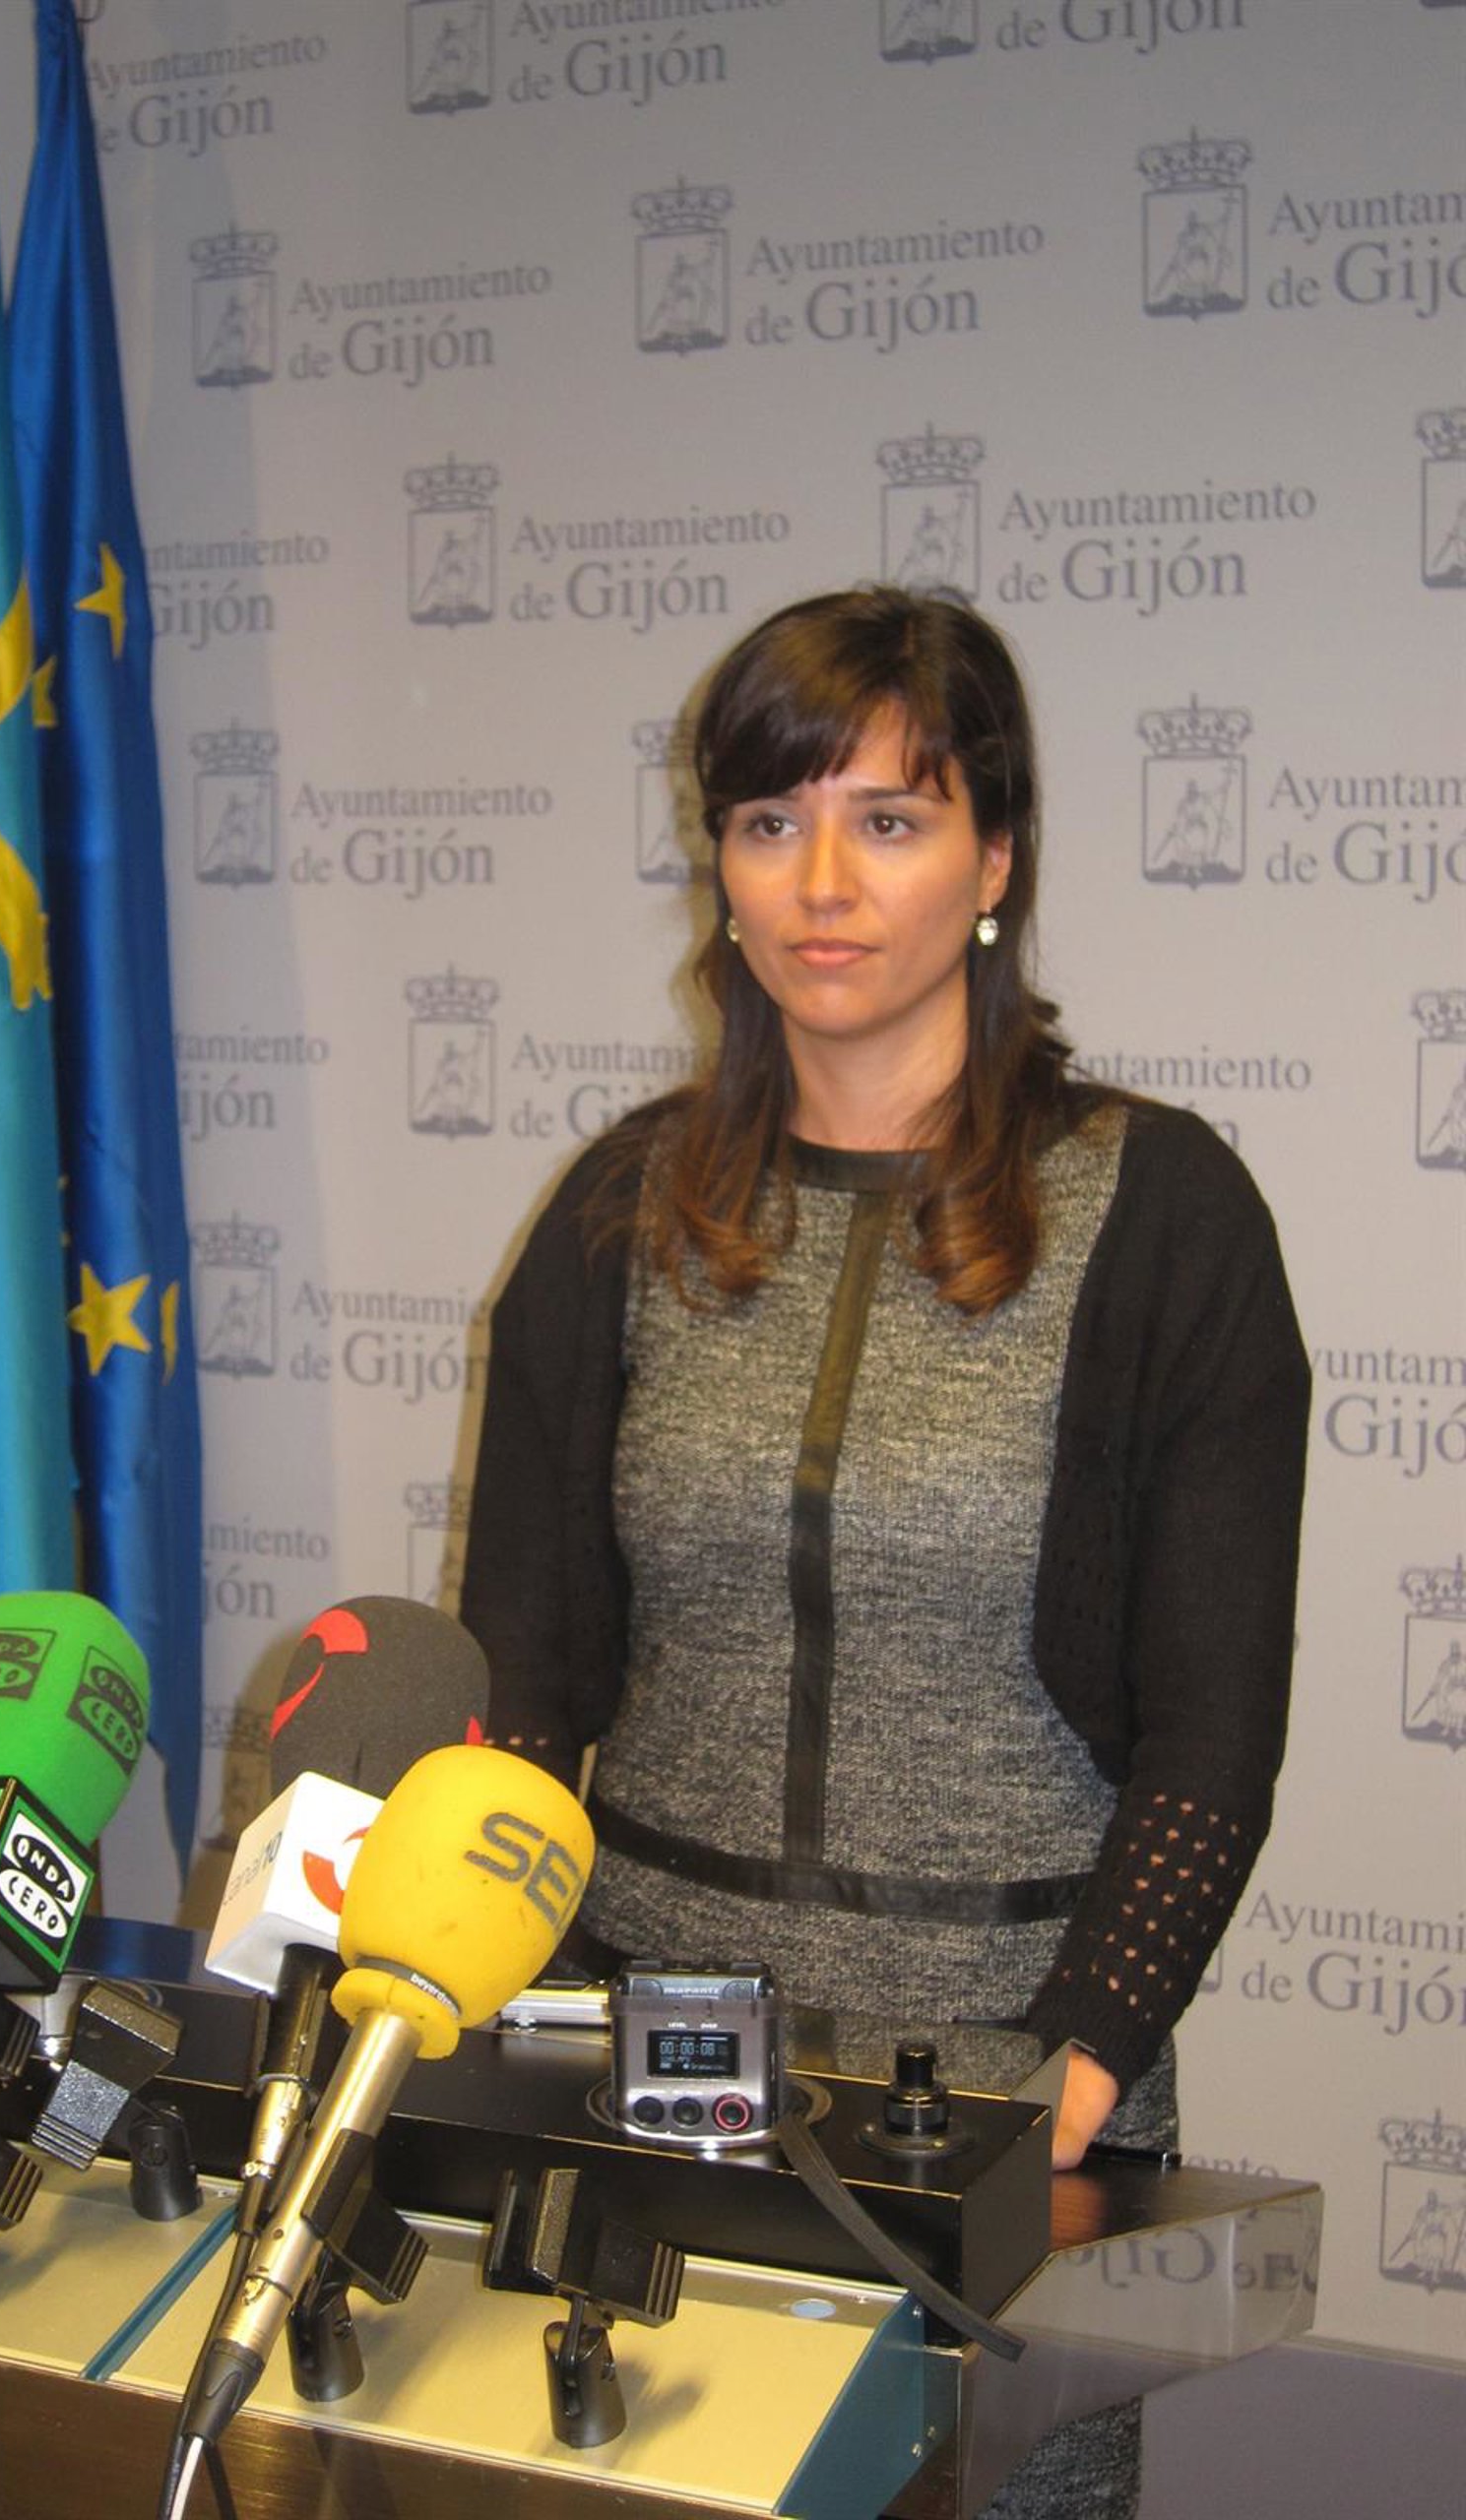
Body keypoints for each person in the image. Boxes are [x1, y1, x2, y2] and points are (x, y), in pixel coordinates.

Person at [460, 585, 1309, 2519]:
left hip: (1011, 2096)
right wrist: (530, 2007)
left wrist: (1068, 2073)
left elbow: (1211, 1733)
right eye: (772, 820)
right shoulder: (616, 1212)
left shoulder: (1166, 1217)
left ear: (996, 861)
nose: (823, 881)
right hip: (656, 2084)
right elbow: (524, 1677)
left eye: (892, 819)